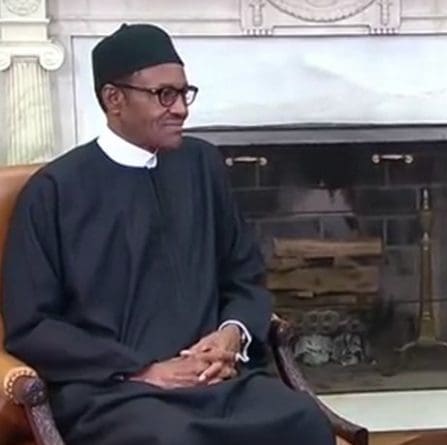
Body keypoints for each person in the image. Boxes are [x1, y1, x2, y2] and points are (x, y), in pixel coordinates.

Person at [1, 23, 335, 445]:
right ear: (113, 99)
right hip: (115, 392)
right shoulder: (54, 191)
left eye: (184, 92)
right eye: (164, 95)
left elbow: (244, 275)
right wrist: (143, 370)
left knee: (302, 420)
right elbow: (33, 325)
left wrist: (231, 333)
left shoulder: (203, 166)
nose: (181, 109)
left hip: (219, 380)